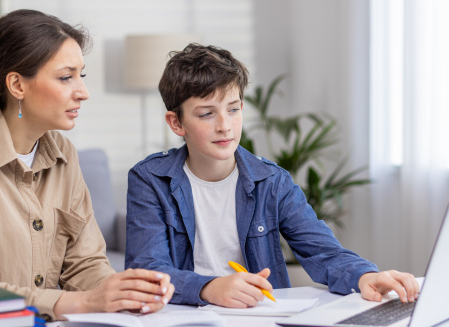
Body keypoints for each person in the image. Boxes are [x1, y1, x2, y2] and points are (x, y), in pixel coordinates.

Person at [0, 9, 173, 321]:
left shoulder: (63, 153)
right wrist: (79, 303)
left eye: (80, 76)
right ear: (17, 85)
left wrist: (124, 291)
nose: (83, 92)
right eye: (65, 77)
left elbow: (85, 263)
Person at [125, 43, 419, 308]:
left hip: (259, 317)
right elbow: (149, 271)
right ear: (176, 123)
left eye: (234, 109)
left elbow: (324, 251)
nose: (225, 126)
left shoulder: (272, 181)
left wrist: (366, 276)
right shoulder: (150, 179)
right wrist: (210, 288)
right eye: (206, 114)